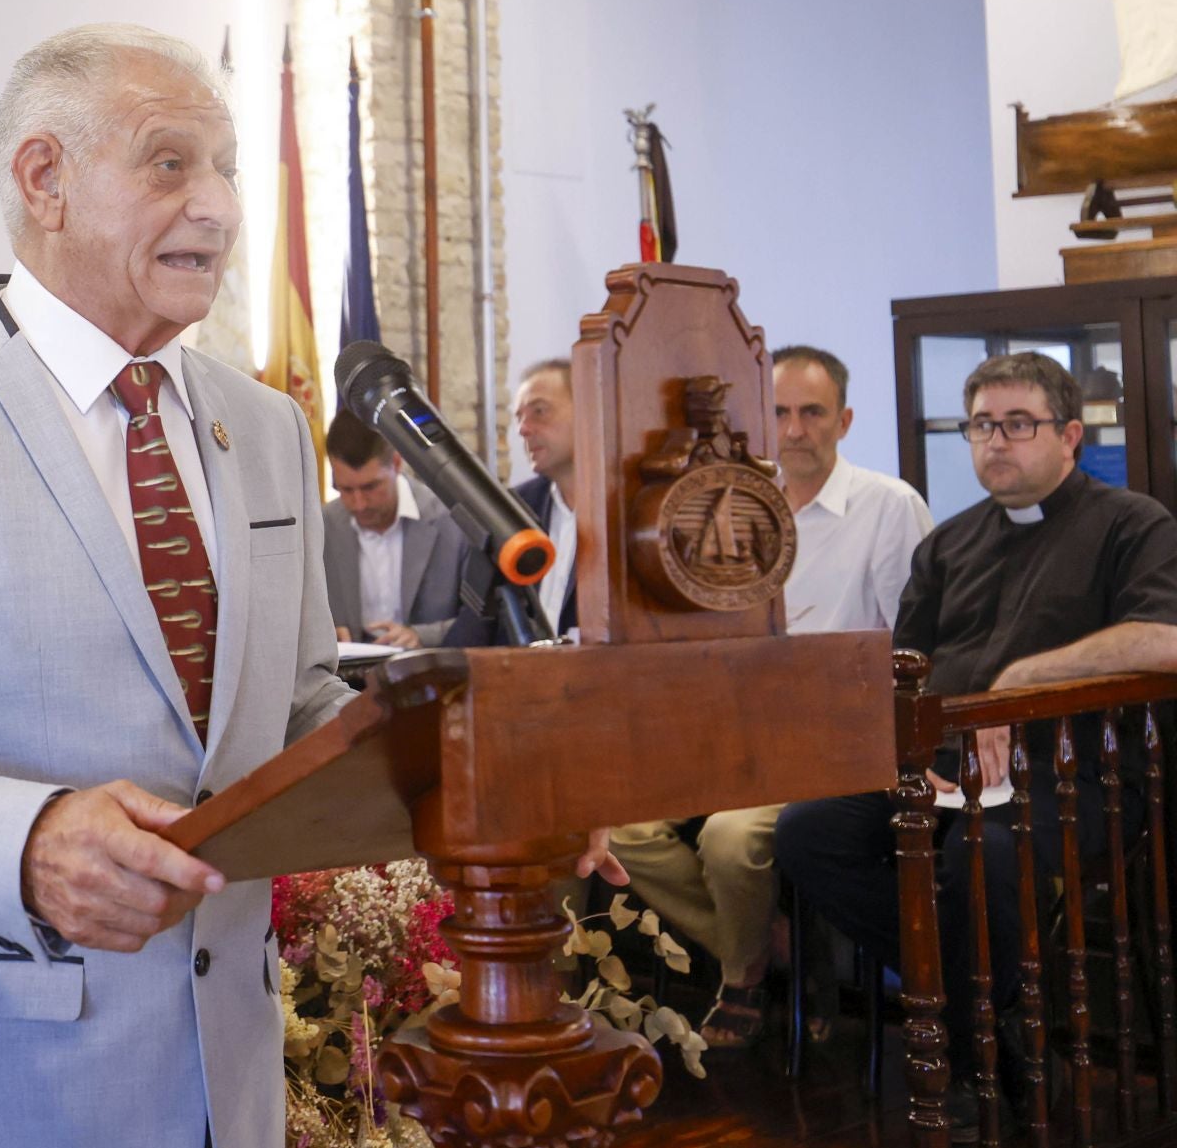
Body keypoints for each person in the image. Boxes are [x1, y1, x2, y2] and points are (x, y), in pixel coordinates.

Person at [0, 24, 622, 1148]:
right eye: (171, 163)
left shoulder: (264, 426)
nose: (217, 207)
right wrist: (25, 842)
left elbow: (300, 709)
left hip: (225, 1066)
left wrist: (488, 779)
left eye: (226, 169)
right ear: (44, 179)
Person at [774, 351, 1177, 1126]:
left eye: (1018, 424)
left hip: (1077, 775)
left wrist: (1019, 683)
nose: (996, 441)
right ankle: (993, 1017)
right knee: (808, 831)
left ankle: (971, 1052)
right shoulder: (950, 543)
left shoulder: (1131, 523)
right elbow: (907, 672)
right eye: (982, 425)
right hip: (951, 771)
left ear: (1068, 435)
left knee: (979, 857)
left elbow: (1163, 639)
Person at [606, 345, 931, 1048]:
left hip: (837, 748)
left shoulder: (886, 505)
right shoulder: (738, 504)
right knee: (618, 825)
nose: (793, 430)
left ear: (843, 420)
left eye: (812, 412)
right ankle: (766, 944)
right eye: (778, 412)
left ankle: (744, 979)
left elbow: (914, 648)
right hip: (733, 737)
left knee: (729, 840)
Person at [445, 358, 576, 644]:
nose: (523, 430)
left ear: (589, 409)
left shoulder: (625, 510)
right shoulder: (513, 508)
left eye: (539, 411)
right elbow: (475, 622)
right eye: (519, 417)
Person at [321, 411, 466, 648]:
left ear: (397, 464)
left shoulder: (452, 521)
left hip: (432, 674)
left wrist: (422, 637)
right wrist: (324, 635)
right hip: (348, 680)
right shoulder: (322, 527)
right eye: (345, 489)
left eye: (370, 487)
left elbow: (485, 623)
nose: (359, 504)